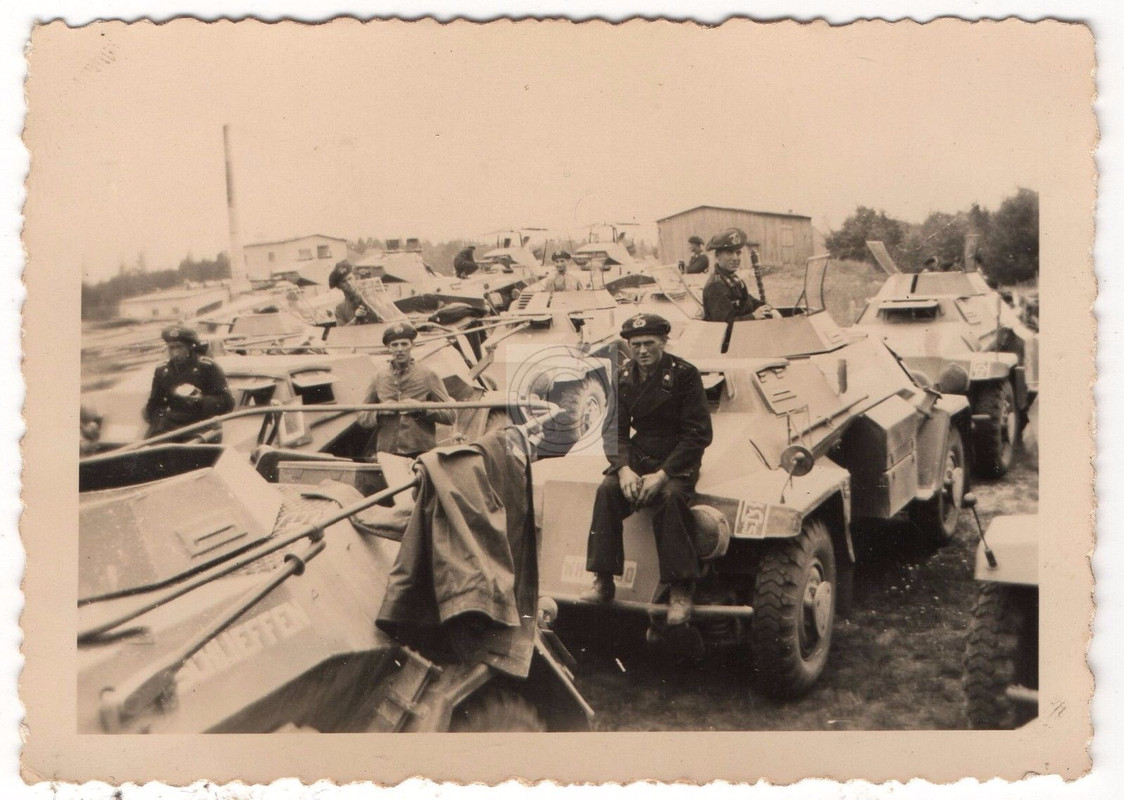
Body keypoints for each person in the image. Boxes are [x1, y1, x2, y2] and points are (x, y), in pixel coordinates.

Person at [584, 313, 713, 626]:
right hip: (641, 453)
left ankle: (680, 589)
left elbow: (698, 434)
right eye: (636, 344)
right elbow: (614, 431)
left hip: (677, 456)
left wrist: (664, 474)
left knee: (670, 498)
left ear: (664, 342)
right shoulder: (623, 376)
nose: (642, 351)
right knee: (607, 491)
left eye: (649, 343)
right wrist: (623, 469)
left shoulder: (684, 374)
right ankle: (603, 580)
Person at [357, 322, 456, 458]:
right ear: (388, 348)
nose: (400, 349)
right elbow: (362, 417)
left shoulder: (428, 375)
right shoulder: (378, 377)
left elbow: (451, 415)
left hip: (421, 451)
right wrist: (380, 410)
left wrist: (421, 408)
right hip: (388, 451)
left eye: (404, 344)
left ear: (412, 345)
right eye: (395, 345)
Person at [143, 326, 235, 441]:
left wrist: (200, 400)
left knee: (193, 447)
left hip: (201, 424)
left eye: (179, 347)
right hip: (170, 426)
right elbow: (154, 405)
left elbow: (227, 403)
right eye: (171, 348)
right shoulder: (162, 371)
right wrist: (161, 419)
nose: (175, 353)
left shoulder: (207, 367)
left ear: (190, 347)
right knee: (151, 446)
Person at [701, 227, 772, 322]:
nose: (735, 258)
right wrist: (753, 316)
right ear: (717, 256)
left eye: (738, 253)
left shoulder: (733, 279)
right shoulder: (715, 286)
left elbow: (748, 301)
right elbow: (724, 324)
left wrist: (768, 308)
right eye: (729, 253)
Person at [329, 259, 376, 325]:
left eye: (350, 278)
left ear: (355, 278)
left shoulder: (371, 297)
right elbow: (341, 330)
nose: (349, 283)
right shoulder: (340, 309)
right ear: (339, 286)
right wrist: (355, 319)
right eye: (344, 281)